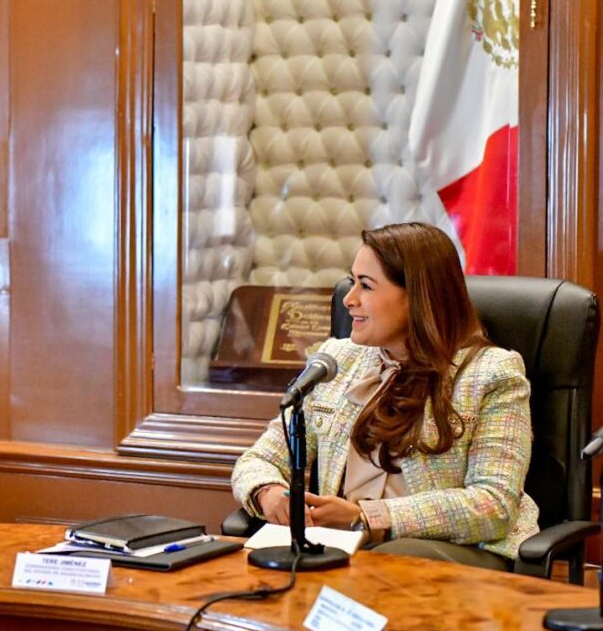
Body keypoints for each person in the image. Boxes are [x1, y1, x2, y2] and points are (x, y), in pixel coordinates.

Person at [231, 222, 538, 569]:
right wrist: (269, 494)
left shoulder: (493, 373)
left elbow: (492, 505)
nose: (349, 300)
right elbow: (257, 460)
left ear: (418, 296)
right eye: (352, 282)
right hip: (347, 550)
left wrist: (367, 516)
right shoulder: (337, 360)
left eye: (366, 286)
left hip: (454, 557)